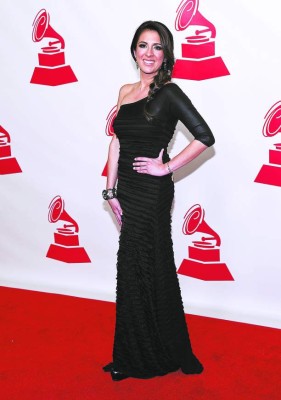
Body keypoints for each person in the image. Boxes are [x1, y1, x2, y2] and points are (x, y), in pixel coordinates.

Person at [102, 20, 215, 381]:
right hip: (128, 191)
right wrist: (110, 190)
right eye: (142, 45)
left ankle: (143, 355)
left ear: (165, 53)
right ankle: (134, 349)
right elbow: (117, 142)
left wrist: (166, 167)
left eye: (156, 47)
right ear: (134, 50)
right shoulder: (125, 91)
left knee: (143, 265)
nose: (148, 53)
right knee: (136, 267)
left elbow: (204, 136)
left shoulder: (169, 93)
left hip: (152, 193)